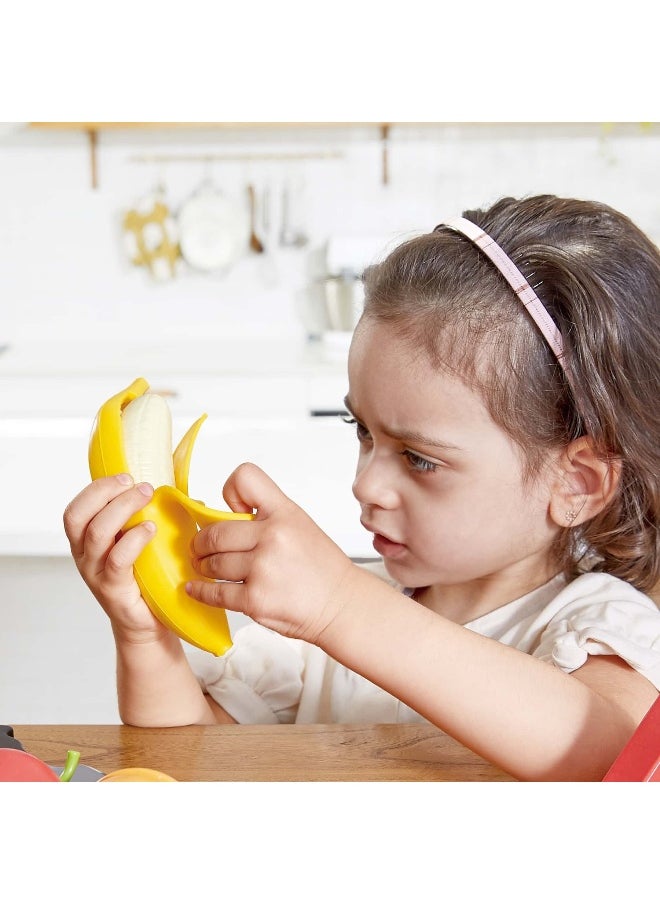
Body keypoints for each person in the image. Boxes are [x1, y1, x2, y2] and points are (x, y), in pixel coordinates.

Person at [64, 194, 660, 781]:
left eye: (420, 459)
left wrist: (339, 605)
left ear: (577, 483)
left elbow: (606, 755)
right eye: (363, 431)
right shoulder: (320, 634)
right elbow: (194, 753)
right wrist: (146, 637)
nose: (366, 484)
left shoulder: (596, 626)